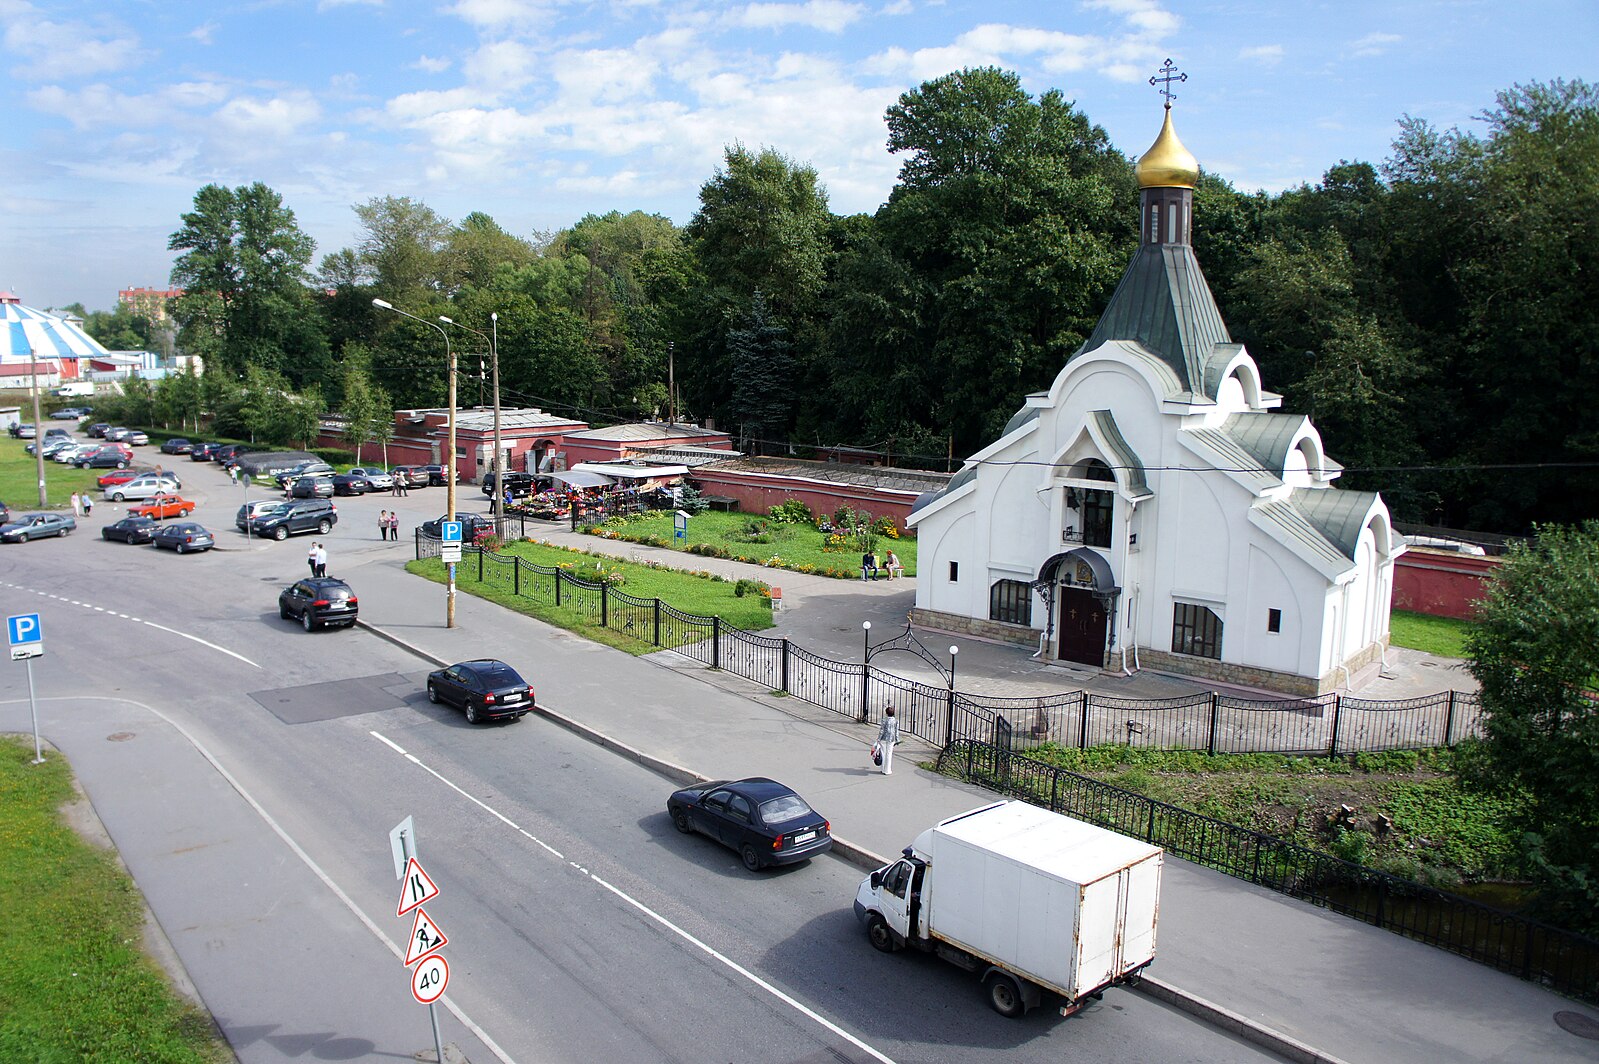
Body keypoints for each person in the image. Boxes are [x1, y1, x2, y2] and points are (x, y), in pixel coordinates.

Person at [876, 705, 900, 776]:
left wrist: (878, 738)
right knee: (889, 754)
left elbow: (882, 730)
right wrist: (897, 739)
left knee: (883, 753)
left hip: (883, 738)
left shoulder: (884, 720)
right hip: (891, 739)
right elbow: (896, 731)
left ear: (886, 713)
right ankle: (887, 770)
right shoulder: (896, 721)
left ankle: (882, 769)